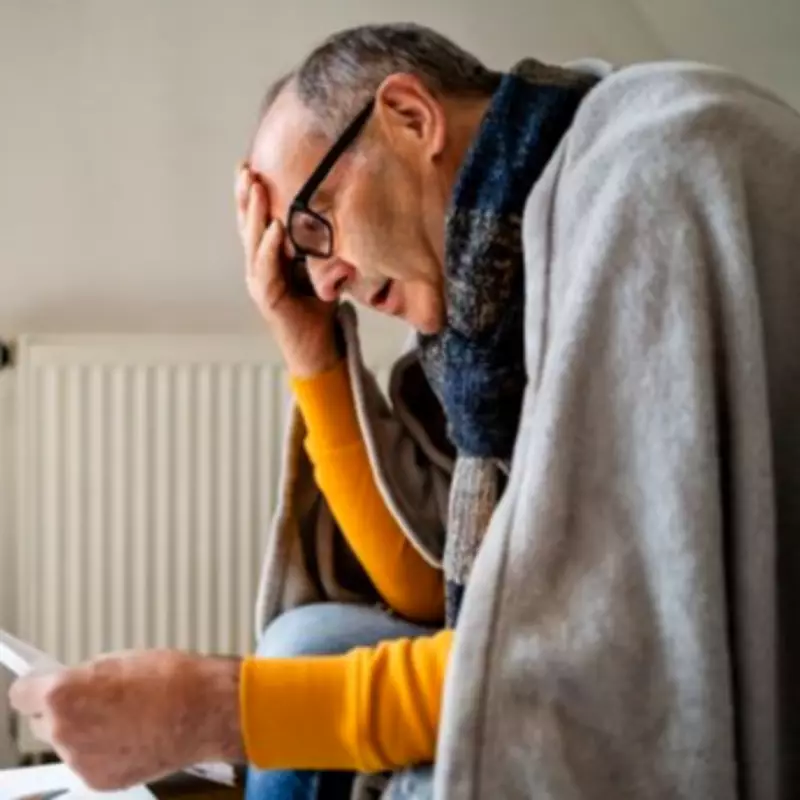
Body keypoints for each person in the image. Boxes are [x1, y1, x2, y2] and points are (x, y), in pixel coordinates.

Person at [9, 22, 800, 800]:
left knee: (367, 737)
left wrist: (216, 710)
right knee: (308, 642)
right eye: (298, 258)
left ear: (411, 117)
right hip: (611, 658)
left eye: (313, 226)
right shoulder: (490, 310)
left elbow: (604, 653)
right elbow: (430, 589)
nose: (323, 282)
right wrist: (308, 347)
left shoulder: (649, 179)